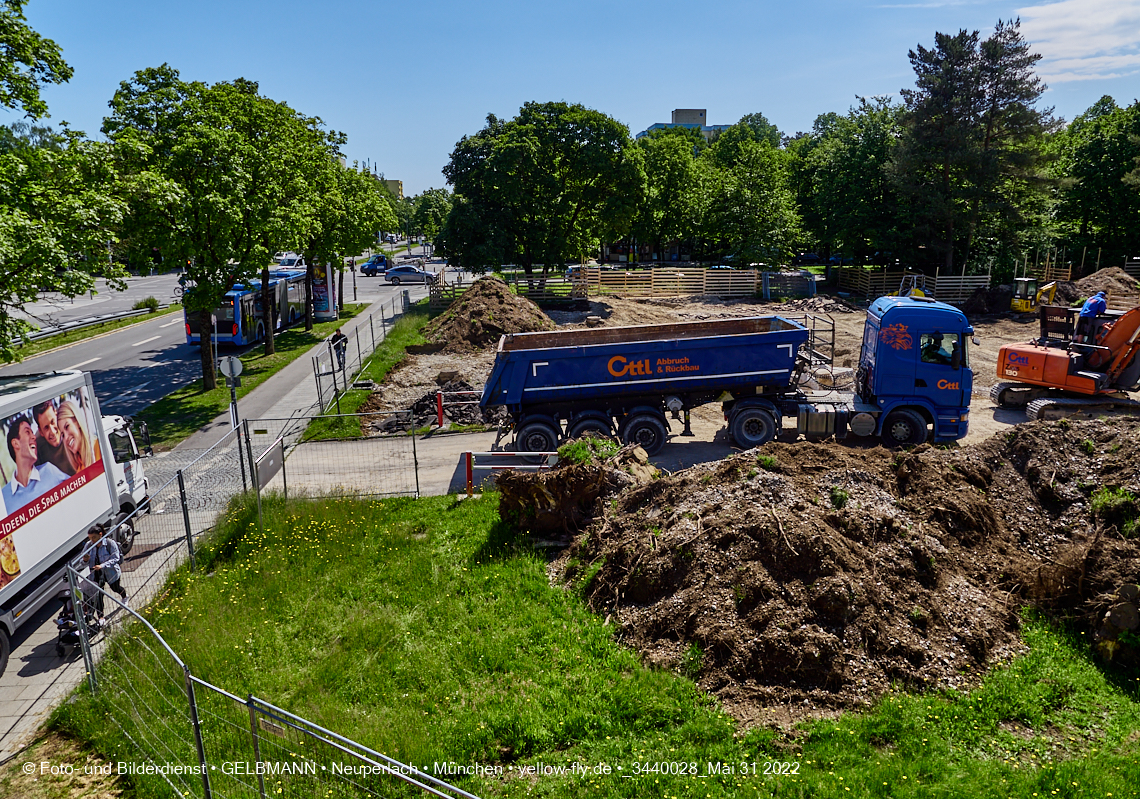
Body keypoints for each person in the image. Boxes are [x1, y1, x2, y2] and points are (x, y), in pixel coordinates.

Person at [3, 416, 67, 513]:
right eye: (27, 432)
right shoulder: (3, 498)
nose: (34, 437)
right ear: (16, 444)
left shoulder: (49, 471)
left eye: (33, 433)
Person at [82, 524, 128, 621]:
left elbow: (116, 558)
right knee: (98, 595)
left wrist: (102, 565)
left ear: (100, 534)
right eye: (90, 538)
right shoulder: (89, 545)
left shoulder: (110, 543)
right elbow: (81, 562)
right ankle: (101, 617)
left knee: (115, 588)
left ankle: (124, 596)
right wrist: (85, 560)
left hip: (110, 572)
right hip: (96, 574)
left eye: (94, 537)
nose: (92, 540)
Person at [57, 400, 100, 473]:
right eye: (63, 435)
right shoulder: (79, 472)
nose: (66, 437)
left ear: (77, 421)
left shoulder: (99, 447)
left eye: (67, 426)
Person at [33, 400, 73, 476]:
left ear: (56, 414)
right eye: (46, 428)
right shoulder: (37, 447)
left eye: (52, 422)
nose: (52, 432)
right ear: (41, 431)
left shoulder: (69, 426)